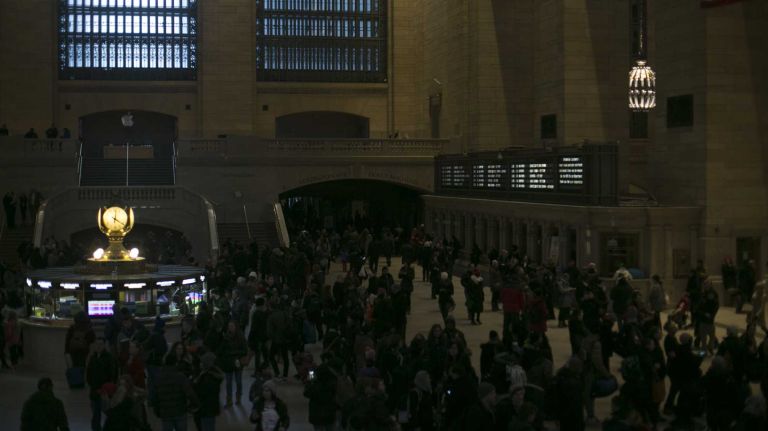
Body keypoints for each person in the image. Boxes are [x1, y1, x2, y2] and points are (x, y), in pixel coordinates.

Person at [153, 354, 199, 431]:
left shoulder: (159, 377)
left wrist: (157, 410)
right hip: (180, 410)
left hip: (165, 412)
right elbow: (190, 393)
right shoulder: (180, 377)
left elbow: (155, 396)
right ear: (175, 363)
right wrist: (195, 404)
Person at [86, 338, 118, 431]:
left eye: (100, 344)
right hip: (94, 390)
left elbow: (112, 374)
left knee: (107, 412)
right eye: (97, 344)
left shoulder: (109, 358)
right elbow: (89, 373)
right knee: (96, 414)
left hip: (104, 391)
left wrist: (108, 389)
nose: (98, 346)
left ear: (104, 345)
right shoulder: (93, 357)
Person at [217, 320, 248, 406]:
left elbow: (245, 350)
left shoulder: (240, 337)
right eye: (229, 326)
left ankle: (237, 397)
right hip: (230, 363)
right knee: (229, 382)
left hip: (236, 362)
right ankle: (230, 399)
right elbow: (221, 350)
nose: (231, 328)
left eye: (232, 326)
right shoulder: (226, 337)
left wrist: (231, 353)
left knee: (237, 381)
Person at [194, 352, 224, 431]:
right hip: (211, 407)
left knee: (206, 427)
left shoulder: (206, 377)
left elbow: (201, 392)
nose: (200, 364)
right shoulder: (214, 375)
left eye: (201, 362)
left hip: (205, 408)